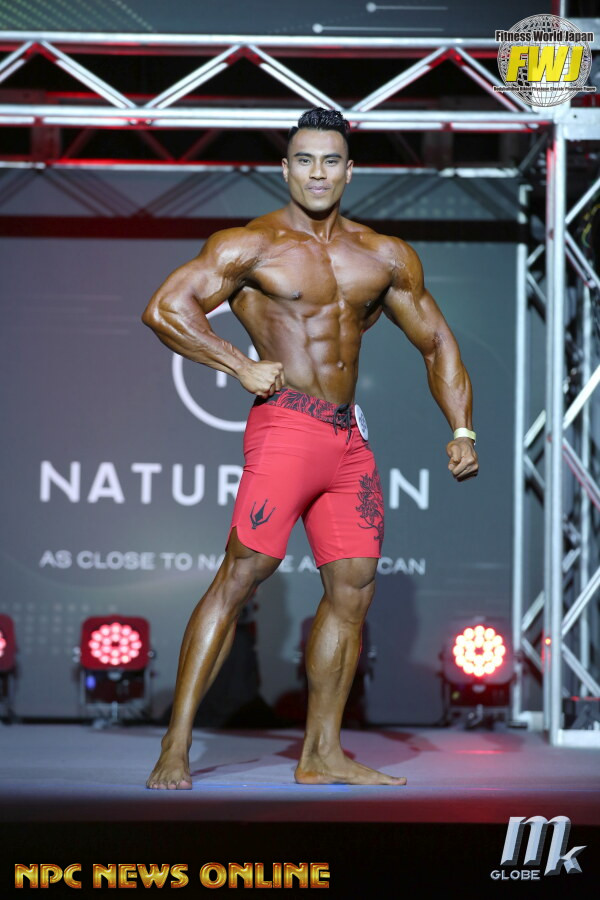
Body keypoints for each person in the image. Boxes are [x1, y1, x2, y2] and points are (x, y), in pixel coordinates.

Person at [142, 108, 478, 789]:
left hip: (348, 438)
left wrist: (462, 428)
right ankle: (175, 746)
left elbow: (436, 340)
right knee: (241, 576)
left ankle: (321, 751)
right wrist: (237, 363)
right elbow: (165, 308)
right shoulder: (251, 245)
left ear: (350, 171)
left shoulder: (384, 255)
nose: (317, 173)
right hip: (285, 426)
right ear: (286, 168)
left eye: (330, 161)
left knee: (353, 591)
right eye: (304, 160)